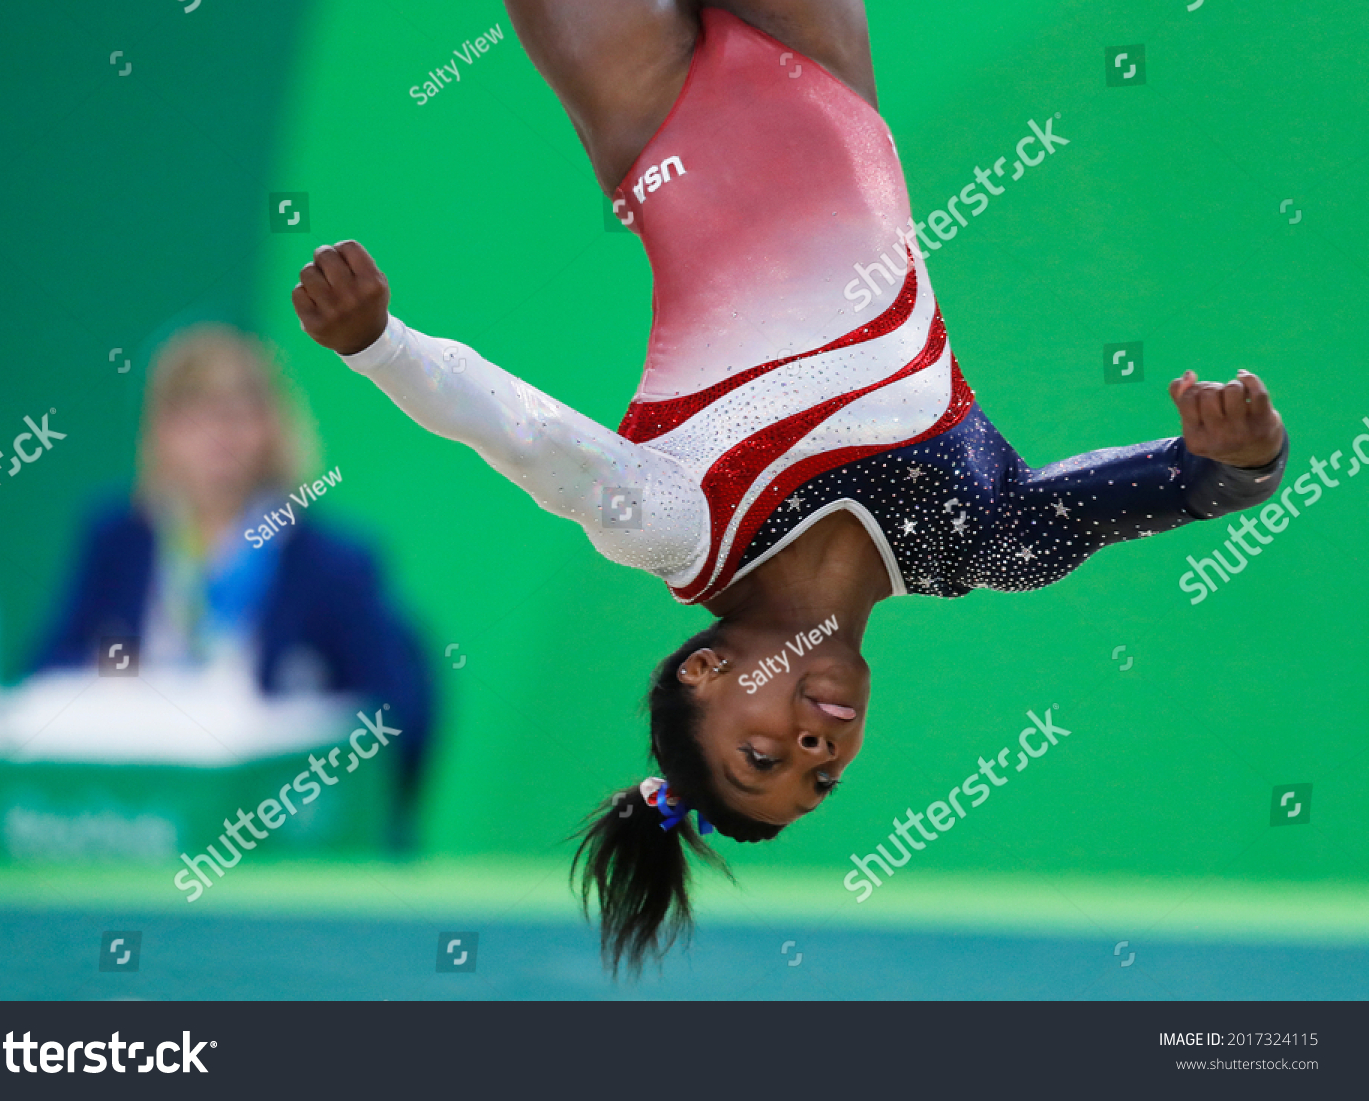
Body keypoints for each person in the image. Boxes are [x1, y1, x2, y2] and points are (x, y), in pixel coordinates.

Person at [290, 1, 1289, 971]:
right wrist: (1245, 456)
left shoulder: (683, 526)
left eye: (762, 757)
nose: (814, 745)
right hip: (817, 59)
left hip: (650, 110)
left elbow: (523, 434)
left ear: (702, 677)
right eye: (819, 777)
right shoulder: (979, 538)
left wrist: (380, 347)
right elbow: (1191, 490)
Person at [32, 323, 435, 849]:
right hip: (138, 813)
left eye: (239, 413)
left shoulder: (332, 562)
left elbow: (396, 715)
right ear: (161, 431)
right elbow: (45, 674)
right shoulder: (118, 542)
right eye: (196, 415)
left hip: (271, 825)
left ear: (273, 428)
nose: (218, 435)